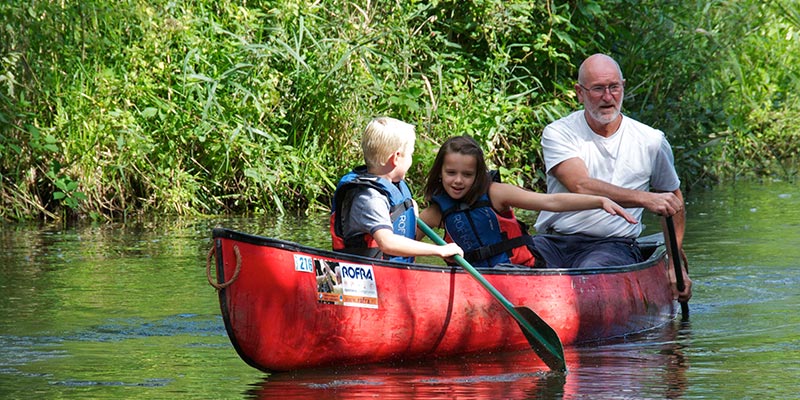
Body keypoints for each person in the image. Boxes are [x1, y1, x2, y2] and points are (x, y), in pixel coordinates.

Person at [532, 53, 692, 302]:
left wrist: (674, 262)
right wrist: (645, 199)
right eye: (597, 89)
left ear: (623, 87)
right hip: (554, 241)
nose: (607, 97)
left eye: (614, 87)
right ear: (579, 92)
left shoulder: (651, 141)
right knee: (512, 262)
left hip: (612, 245)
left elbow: (673, 200)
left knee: (591, 273)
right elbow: (580, 184)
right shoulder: (558, 132)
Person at [417, 135, 637, 268]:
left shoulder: (496, 193)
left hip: (519, 272)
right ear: (440, 173)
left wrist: (598, 201)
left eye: (467, 174)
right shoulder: (435, 213)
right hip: (474, 279)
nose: (458, 181)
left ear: (478, 176)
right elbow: (400, 244)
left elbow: (550, 202)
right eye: (451, 173)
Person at [330, 116, 464, 263]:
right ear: (396, 158)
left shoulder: (395, 190)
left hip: (395, 275)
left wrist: (412, 216)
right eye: (410, 155)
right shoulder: (370, 198)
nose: (411, 161)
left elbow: (405, 236)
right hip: (371, 276)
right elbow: (387, 243)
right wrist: (440, 250)